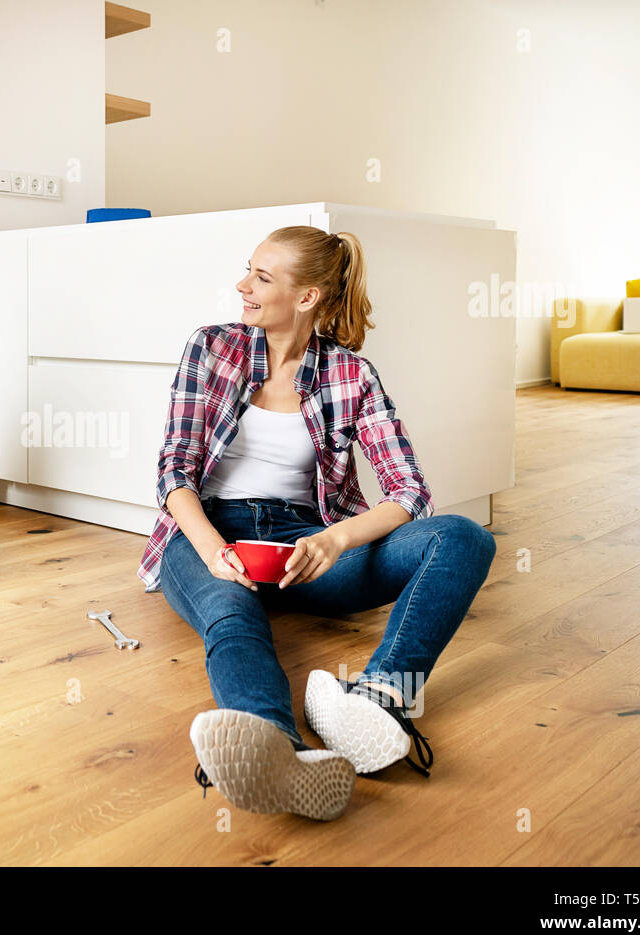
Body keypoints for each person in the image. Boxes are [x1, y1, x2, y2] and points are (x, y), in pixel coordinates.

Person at [140, 226, 496, 820]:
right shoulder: (212, 347)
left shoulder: (351, 375)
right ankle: (276, 747)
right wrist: (210, 551)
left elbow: (411, 492)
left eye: (261, 277)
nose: (242, 285)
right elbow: (173, 469)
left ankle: (382, 697)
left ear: (306, 298)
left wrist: (335, 539)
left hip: (307, 544)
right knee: (229, 615)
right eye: (247, 270)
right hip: (207, 531)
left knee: (464, 538)